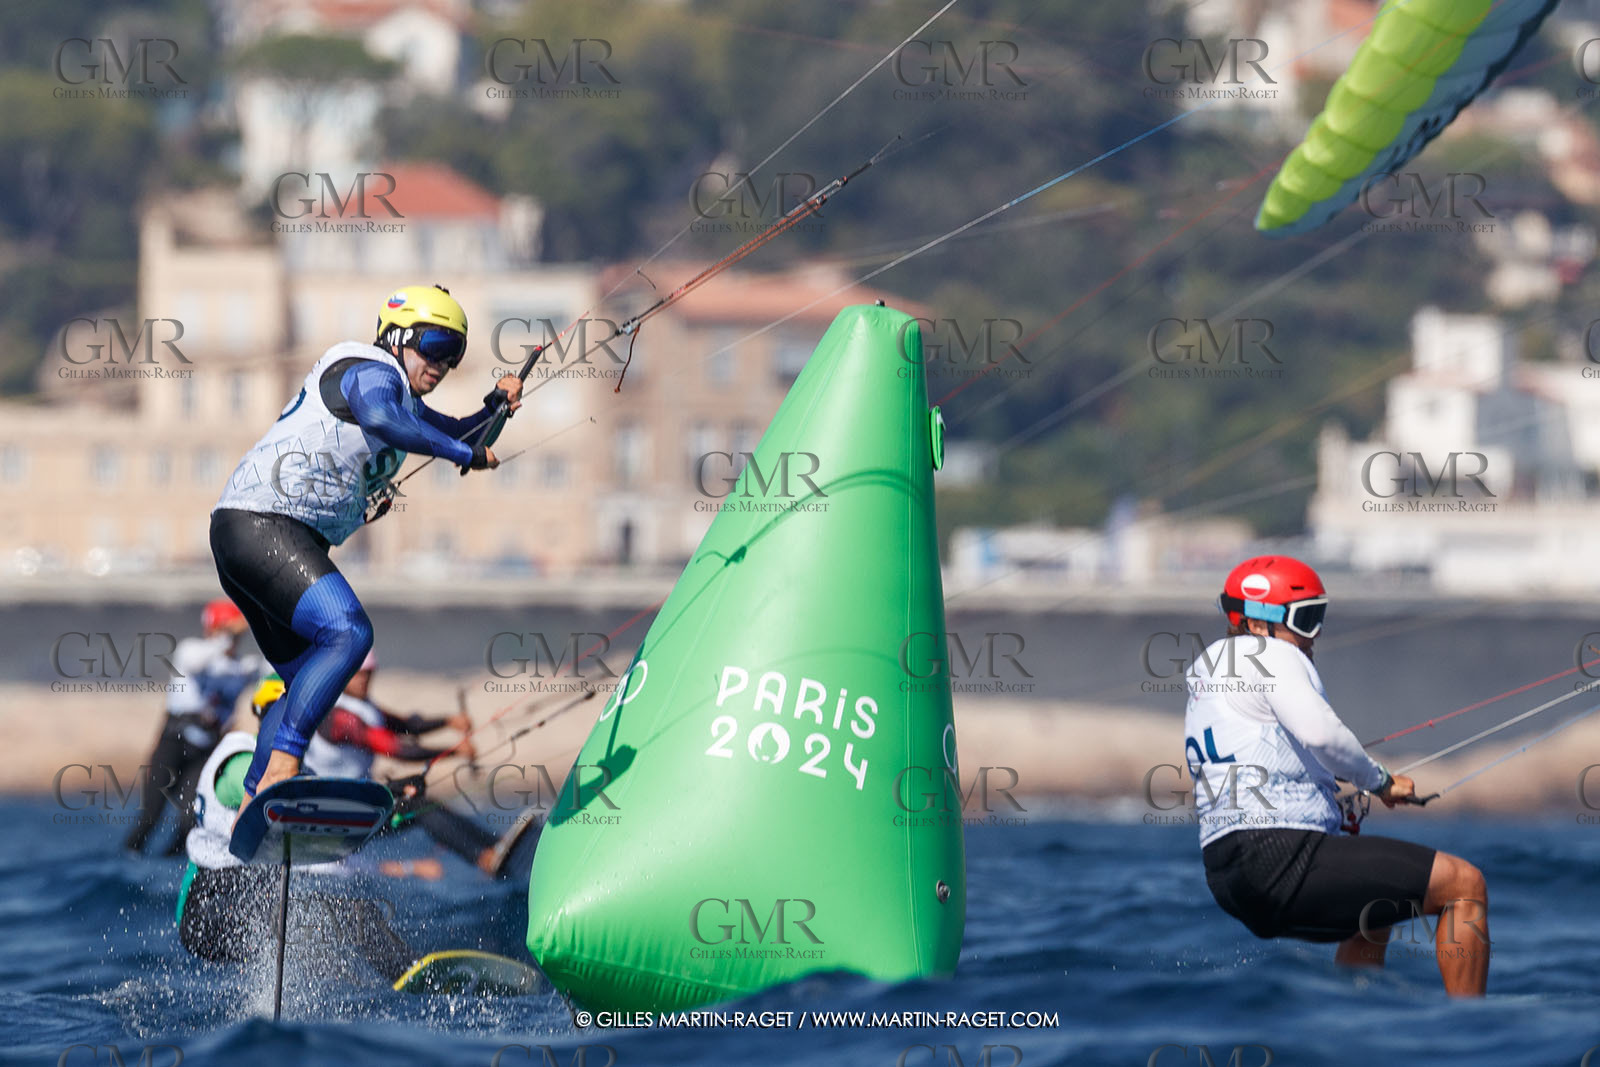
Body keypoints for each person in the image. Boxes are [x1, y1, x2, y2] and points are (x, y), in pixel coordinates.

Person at [208, 284, 522, 816]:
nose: (442, 363)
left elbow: (464, 431)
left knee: (307, 681)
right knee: (349, 634)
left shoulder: (404, 405)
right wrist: (463, 451)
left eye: (455, 353)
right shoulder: (371, 368)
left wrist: (497, 407)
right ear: (399, 337)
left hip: (254, 537)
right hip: (265, 527)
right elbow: (385, 422)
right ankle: (285, 764)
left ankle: (253, 800)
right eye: (436, 344)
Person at [1186, 555, 1490, 996]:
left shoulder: (1208, 672)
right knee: (1465, 883)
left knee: (1375, 907)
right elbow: (1321, 735)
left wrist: (1324, 809)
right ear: (1257, 624)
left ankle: (1356, 1019)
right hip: (1282, 857)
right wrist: (1379, 781)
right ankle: (1475, 1033)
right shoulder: (1270, 652)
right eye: (1305, 619)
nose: (1316, 635)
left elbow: (1261, 759)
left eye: (1320, 616)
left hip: (1228, 876)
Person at [258, 657, 540, 879]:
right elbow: (397, 748)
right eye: (359, 674)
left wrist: (448, 722)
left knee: (420, 799)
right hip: (335, 815)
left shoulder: (363, 706)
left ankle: (495, 847)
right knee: (417, 805)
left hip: (354, 802)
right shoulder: (339, 717)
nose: (365, 680)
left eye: (369, 675)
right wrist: (453, 751)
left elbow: (406, 725)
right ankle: (485, 857)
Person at [124, 598, 262, 856]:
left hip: (204, 752)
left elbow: (271, 669)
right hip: (172, 744)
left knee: (190, 821)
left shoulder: (242, 668)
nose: (234, 641)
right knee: (150, 817)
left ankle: (166, 867)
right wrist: (228, 633)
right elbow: (197, 662)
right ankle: (126, 861)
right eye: (227, 633)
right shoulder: (191, 651)